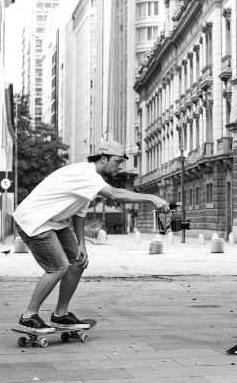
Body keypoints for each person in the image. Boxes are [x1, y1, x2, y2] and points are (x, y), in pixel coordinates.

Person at [13, 140, 170, 334]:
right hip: (34, 220)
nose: (120, 166)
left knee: (78, 261)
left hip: (54, 222)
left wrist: (82, 245)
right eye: (118, 161)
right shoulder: (86, 174)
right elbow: (114, 194)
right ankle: (29, 316)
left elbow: (80, 213)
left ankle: (61, 315)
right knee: (59, 266)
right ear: (103, 159)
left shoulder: (91, 181)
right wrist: (151, 198)